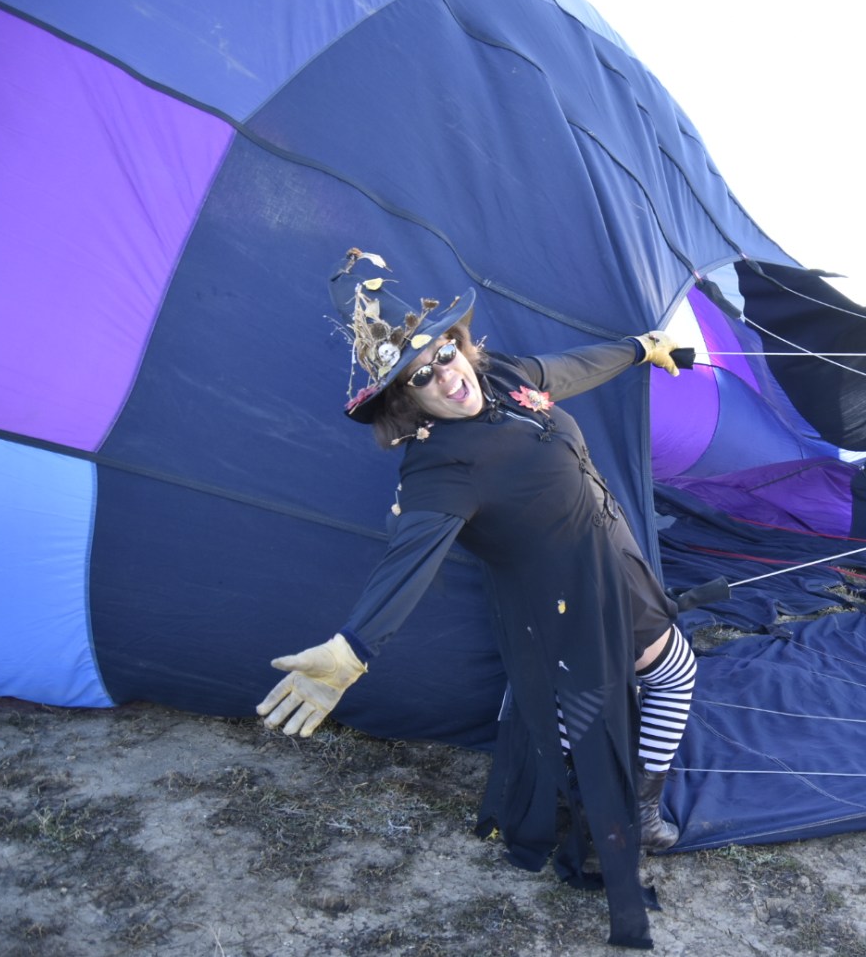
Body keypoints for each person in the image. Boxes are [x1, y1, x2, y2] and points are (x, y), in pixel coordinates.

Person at [256, 248, 697, 949]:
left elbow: (570, 369)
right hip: (567, 599)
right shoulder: (439, 467)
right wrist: (354, 647)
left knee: (638, 683)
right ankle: (617, 814)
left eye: (444, 355)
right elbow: (410, 558)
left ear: (460, 345)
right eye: (421, 377)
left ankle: (619, 802)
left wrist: (641, 348)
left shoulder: (505, 377)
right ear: (405, 398)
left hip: (617, 560)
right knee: (600, 708)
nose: (445, 377)